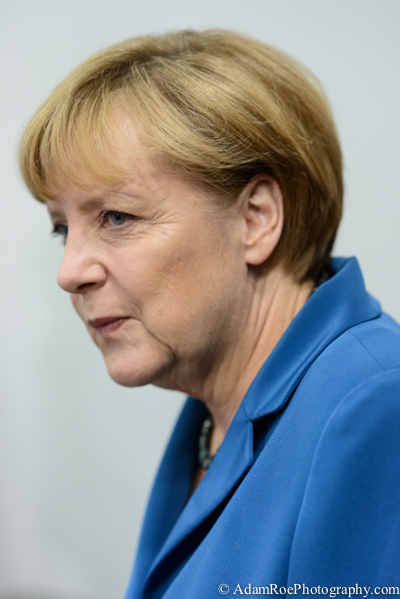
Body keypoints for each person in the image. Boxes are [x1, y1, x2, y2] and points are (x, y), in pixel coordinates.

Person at [19, 29, 400, 599]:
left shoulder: (377, 406)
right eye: (61, 229)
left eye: (117, 217)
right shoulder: (212, 412)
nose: (70, 271)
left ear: (256, 219)